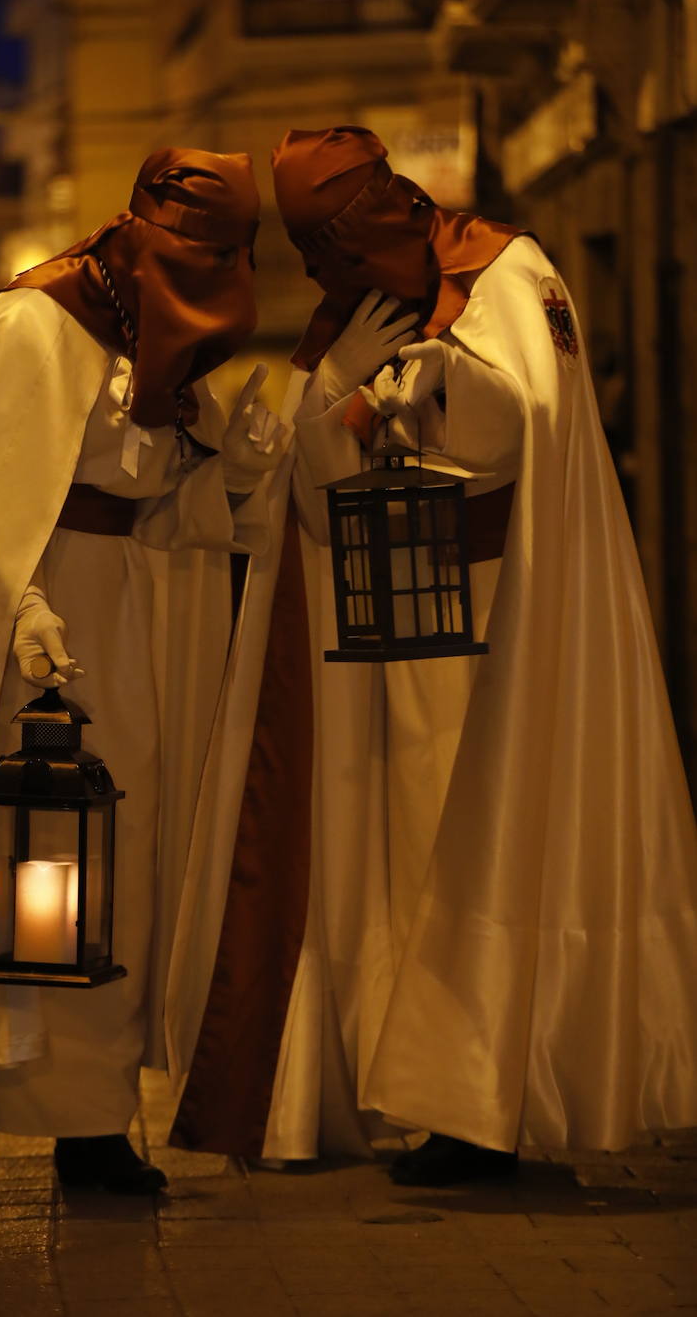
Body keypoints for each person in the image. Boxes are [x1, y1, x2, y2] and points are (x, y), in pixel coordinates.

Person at [166, 126, 697, 1185]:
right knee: (407, 857)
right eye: (318, 262)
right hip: (396, 641)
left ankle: (485, 1101)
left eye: (339, 250)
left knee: (493, 837)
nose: (332, 278)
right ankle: (410, 1090)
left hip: (508, 621)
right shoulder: (352, 315)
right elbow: (312, 490)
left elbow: (524, 426)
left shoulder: (509, 273)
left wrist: (414, 386)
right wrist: (345, 394)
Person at [0, 147, 285, 1207]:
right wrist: (20, 605)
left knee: (104, 871)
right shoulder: (32, 323)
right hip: (13, 644)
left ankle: (90, 1123)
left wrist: (244, 460)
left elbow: (171, 509)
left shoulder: (161, 333)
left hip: (128, 633)